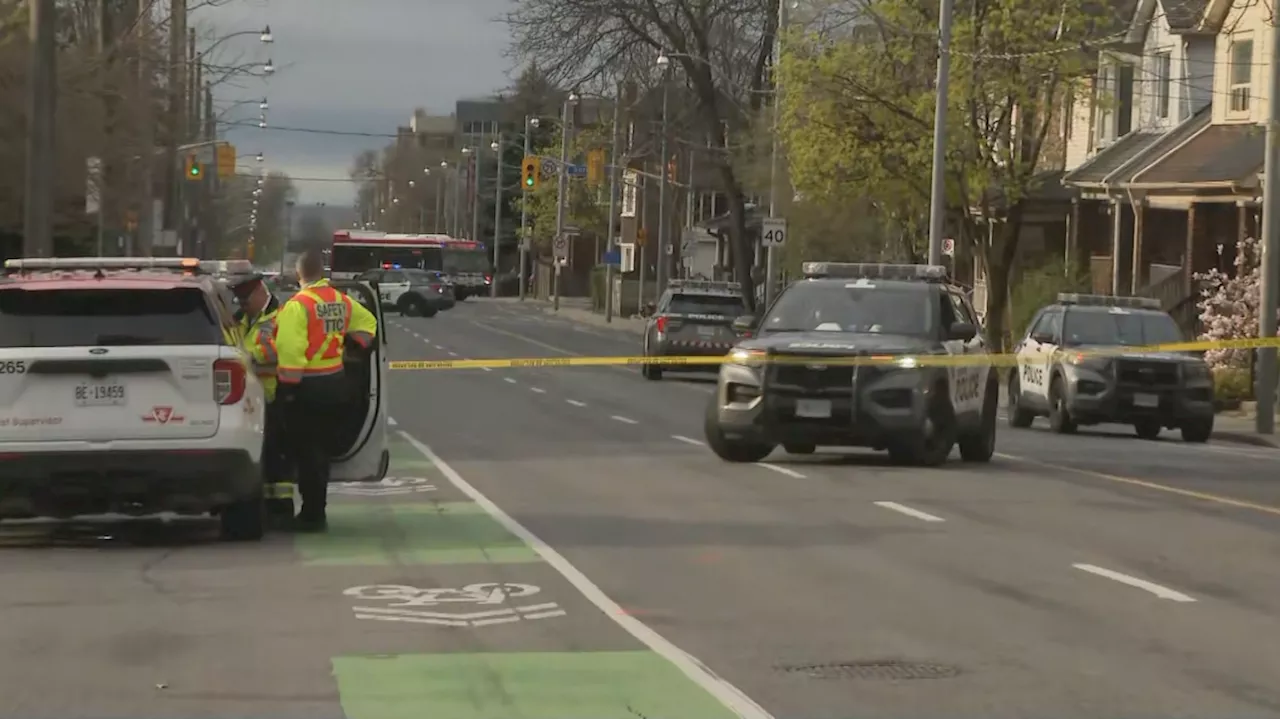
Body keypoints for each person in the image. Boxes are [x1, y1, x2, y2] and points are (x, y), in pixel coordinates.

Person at [274, 249, 378, 532]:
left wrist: (288, 391)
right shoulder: (340, 300)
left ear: (299, 274)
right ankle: (315, 510)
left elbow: (291, 352)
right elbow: (369, 325)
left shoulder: (298, 306)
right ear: (322, 272)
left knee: (308, 454)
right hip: (337, 384)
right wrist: (354, 348)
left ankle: (312, 515)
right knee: (319, 452)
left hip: (310, 389)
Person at [228, 272, 295, 524]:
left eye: (245, 301)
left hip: (273, 396)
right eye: (239, 301)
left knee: (277, 456)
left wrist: (245, 356)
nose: (242, 306)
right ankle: (263, 508)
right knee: (257, 455)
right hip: (246, 399)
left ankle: (281, 510)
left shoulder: (281, 316)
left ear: (260, 293)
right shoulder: (241, 319)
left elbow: (279, 348)